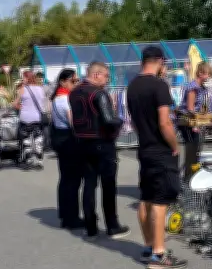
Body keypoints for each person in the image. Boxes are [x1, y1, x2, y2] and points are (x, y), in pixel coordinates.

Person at [126, 46, 187, 269]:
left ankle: (149, 246)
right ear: (160, 61)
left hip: (144, 147)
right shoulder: (159, 86)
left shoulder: (132, 86)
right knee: (160, 201)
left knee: (147, 198)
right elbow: (165, 122)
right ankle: (159, 255)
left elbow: (132, 122)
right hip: (160, 150)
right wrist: (175, 146)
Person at [69, 61, 129, 239]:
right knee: (108, 185)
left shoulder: (74, 92)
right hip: (102, 143)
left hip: (82, 142)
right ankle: (112, 225)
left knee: (89, 184)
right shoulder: (99, 93)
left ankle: (90, 226)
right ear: (96, 75)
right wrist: (121, 121)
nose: (107, 80)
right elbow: (109, 120)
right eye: (106, 76)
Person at [50, 69, 84, 229]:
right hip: (69, 142)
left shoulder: (57, 98)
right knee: (72, 180)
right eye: (73, 81)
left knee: (65, 179)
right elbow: (74, 123)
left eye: (77, 81)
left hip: (60, 139)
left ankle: (65, 214)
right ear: (63, 81)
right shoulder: (65, 100)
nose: (76, 84)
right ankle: (72, 218)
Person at [177, 62, 212, 181]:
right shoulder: (193, 87)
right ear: (200, 73)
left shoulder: (200, 87)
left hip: (193, 121)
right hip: (188, 122)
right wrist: (198, 123)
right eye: (208, 74)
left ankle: (191, 176)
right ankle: (188, 178)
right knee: (192, 151)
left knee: (195, 150)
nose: (208, 77)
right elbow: (190, 108)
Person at [12, 71, 47, 168]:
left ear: (27, 78)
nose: (22, 80)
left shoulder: (22, 89)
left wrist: (21, 107)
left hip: (25, 118)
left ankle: (29, 159)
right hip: (37, 118)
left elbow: (15, 104)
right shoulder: (41, 89)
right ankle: (40, 160)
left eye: (23, 78)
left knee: (26, 139)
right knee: (38, 138)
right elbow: (42, 103)